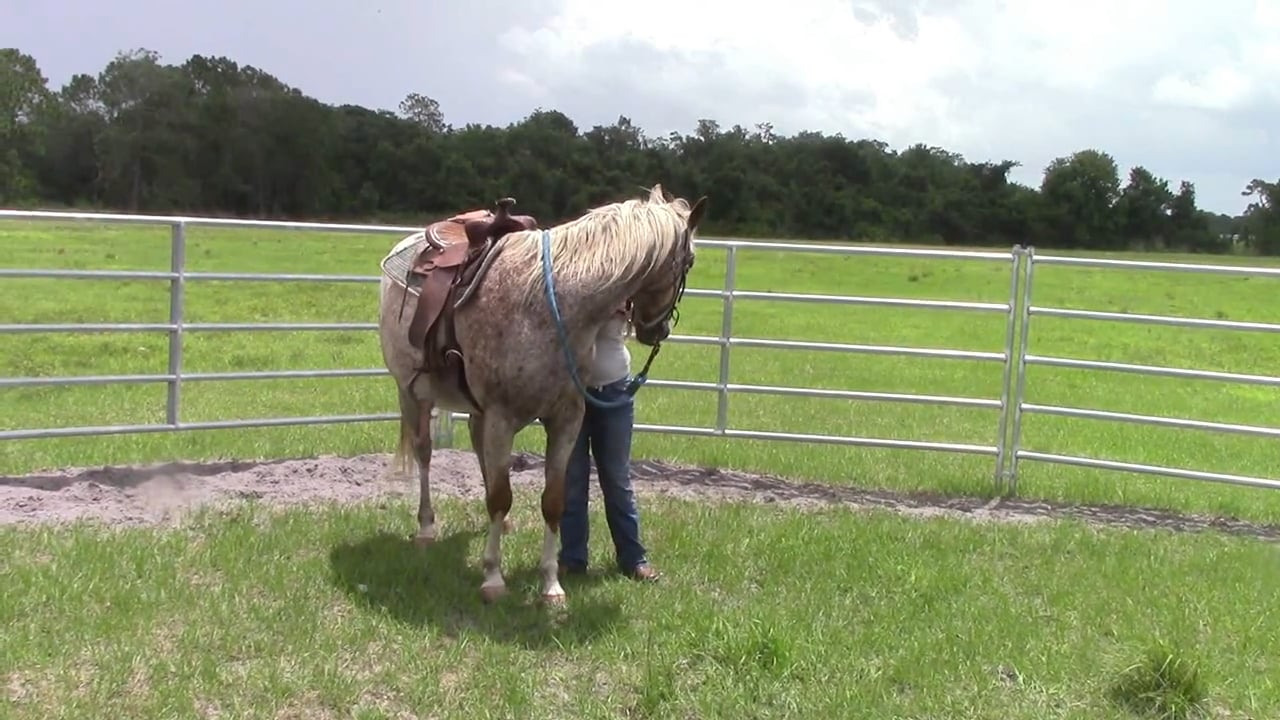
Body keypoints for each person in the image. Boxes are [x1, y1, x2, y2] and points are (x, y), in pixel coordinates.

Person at [558, 300, 659, 582]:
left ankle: (633, 557)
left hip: (614, 389)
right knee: (571, 478)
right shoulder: (572, 279)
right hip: (571, 390)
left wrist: (633, 310)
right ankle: (572, 557)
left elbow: (653, 323)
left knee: (616, 477)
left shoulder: (626, 281)